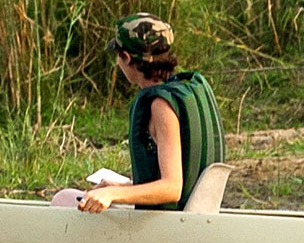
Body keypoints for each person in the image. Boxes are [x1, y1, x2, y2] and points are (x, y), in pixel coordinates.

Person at [70, 14, 226, 214]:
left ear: (126, 58)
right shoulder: (186, 91)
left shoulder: (161, 106)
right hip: (190, 216)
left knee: (62, 198)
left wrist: (111, 195)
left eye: (119, 57)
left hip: (168, 226)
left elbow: (172, 188)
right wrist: (121, 188)